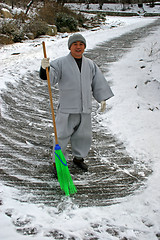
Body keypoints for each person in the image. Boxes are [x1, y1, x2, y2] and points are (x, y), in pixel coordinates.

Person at [40, 33, 113, 174]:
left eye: (81, 44)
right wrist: (44, 69)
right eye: (75, 44)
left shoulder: (91, 64)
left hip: (85, 108)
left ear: (84, 47)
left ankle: (78, 158)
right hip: (67, 108)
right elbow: (50, 77)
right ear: (70, 47)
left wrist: (102, 98)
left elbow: (98, 82)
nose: (78, 47)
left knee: (84, 136)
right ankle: (58, 163)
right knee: (61, 136)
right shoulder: (60, 63)